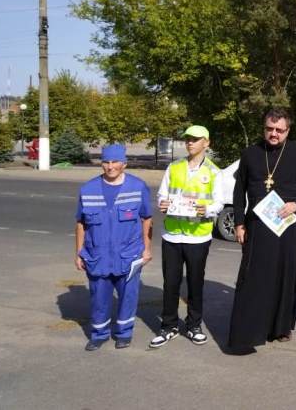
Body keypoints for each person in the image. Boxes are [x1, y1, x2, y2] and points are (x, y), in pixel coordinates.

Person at [228, 108, 296, 354]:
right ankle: (251, 330)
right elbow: (239, 192)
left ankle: (280, 327)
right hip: (257, 227)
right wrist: (239, 223)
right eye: (270, 128)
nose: (274, 134)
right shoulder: (250, 154)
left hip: (286, 225)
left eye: (279, 130)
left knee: (284, 276)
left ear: (287, 130)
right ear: (264, 127)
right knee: (254, 279)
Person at [150, 125, 222, 348]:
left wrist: (207, 210)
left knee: (195, 283)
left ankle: (193, 326)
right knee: (170, 283)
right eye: (188, 139)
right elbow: (163, 194)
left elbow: (218, 202)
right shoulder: (174, 167)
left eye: (195, 139)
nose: (190, 143)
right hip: (172, 235)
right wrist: (162, 203)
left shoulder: (213, 171)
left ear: (206, 143)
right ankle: (168, 326)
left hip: (198, 236)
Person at [74, 144, 153, 351]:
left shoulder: (138, 187)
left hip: (129, 255)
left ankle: (124, 333)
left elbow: (146, 219)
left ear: (124, 163)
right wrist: (79, 253)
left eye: (115, 162)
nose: (110, 167)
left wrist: (146, 249)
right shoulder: (88, 189)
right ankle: (98, 335)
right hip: (96, 256)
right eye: (106, 162)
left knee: (128, 297)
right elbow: (81, 223)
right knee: (99, 298)